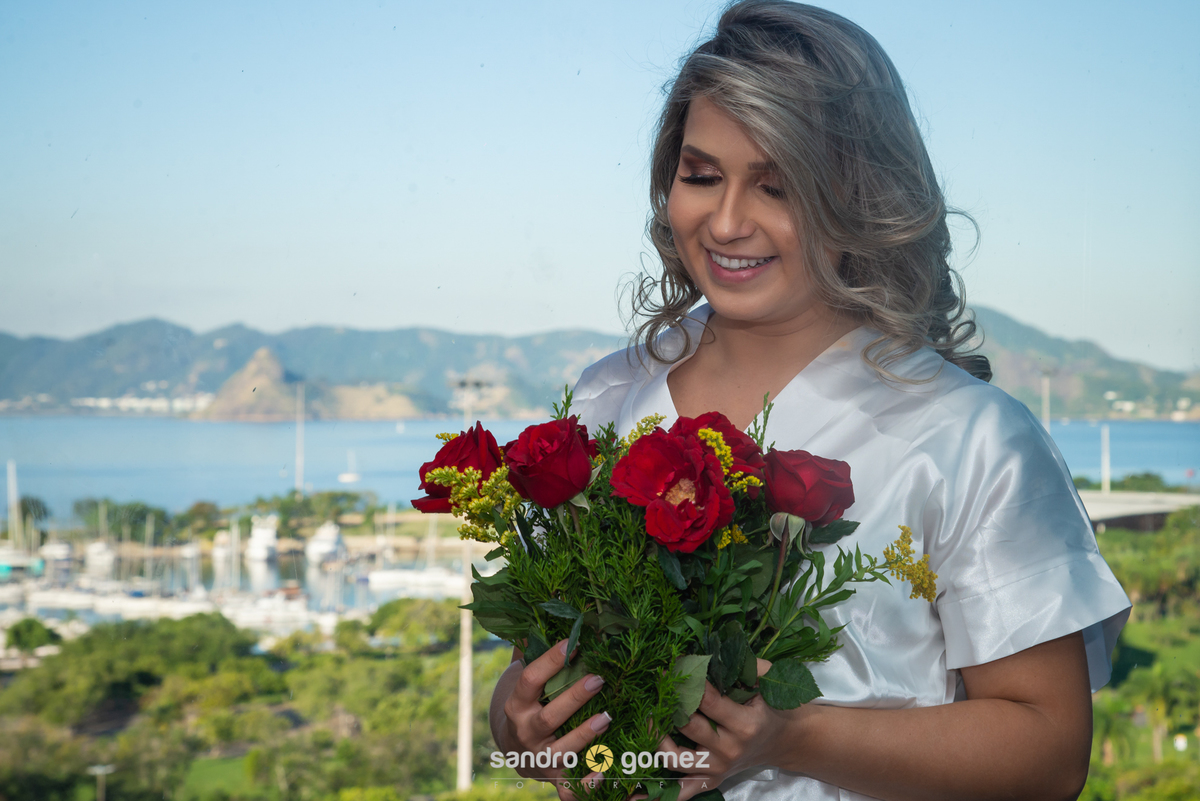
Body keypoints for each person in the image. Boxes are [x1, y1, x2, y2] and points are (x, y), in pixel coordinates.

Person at [489, 2, 1131, 799]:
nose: (726, 221)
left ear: (861, 195)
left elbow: (1052, 751)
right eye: (702, 175)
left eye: (777, 185)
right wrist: (517, 724)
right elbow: (533, 682)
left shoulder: (967, 437)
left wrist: (795, 736)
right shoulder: (610, 395)